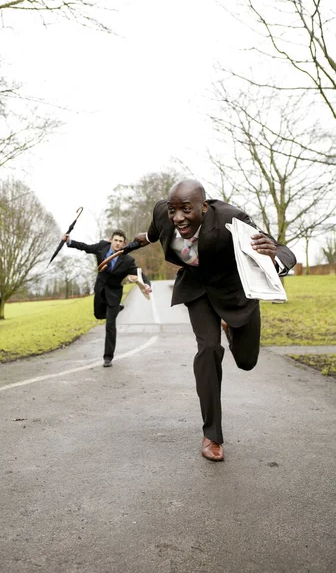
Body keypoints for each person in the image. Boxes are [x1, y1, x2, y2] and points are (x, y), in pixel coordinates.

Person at [134, 179, 296, 462]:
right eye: (174, 210)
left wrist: (274, 258)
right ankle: (212, 435)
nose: (178, 217)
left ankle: (230, 327)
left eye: (186, 209)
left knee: (247, 361)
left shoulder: (231, 219)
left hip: (234, 292)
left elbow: (281, 249)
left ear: (204, 207)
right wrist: (143, 239)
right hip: (197, 289)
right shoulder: (165, 213)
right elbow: (154, 229)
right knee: (208, 350)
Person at [63, 229, 152, 367]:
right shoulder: (102, 247)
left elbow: (139, 274)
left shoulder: (127, 260)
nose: (117, 244)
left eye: (120, 242)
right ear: (111, 240)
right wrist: (70, 241)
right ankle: (118, 309)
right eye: (115, 240)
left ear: (124, 244)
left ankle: (108, 357)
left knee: (110, 325)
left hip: (114, 293)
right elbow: (86, 247)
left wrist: (146, 285)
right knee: (98, 315)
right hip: (100, 289)